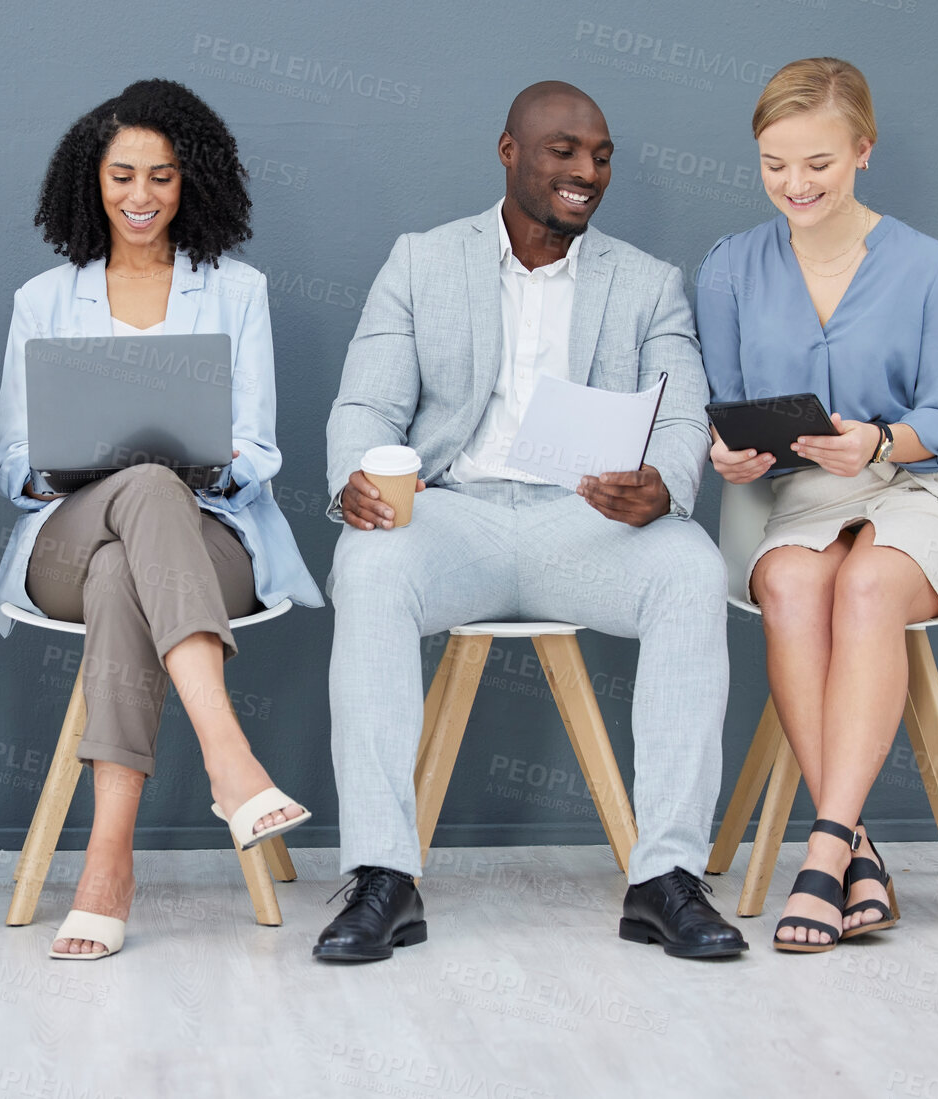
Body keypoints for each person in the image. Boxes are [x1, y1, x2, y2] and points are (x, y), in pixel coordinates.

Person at [318, 82, 747, 963]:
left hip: (583, 525)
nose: (586, 171)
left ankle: (665, 876)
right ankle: (381, 876)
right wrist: (355, 476)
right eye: (563, 151)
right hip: (456, 516)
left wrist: (659, 488)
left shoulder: (647, 282)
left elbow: (678, 416)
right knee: (366, 569)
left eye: (600, 155)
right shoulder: (421, 261)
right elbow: (364, 401)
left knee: (689, 567)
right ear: (509, 151)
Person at [0, 79, 322, 960]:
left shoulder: (237, 291)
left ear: (193, 184)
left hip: (207, 539)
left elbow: (259, 448)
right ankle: (229, 756)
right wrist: (74, 467)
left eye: (163, 178)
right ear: (89, 182)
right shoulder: (43, 300)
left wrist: (202, 464)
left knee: (127, 559)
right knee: (134, 491)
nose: (141, 198)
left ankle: (106, 863)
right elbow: (12, 465)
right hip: (63, 537)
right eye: (122, 176)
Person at [697, 58, 938, 953]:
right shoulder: (728, 268)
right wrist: (725, 452)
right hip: (800, 499)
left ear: (863, 152)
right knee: (792, 589)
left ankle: (822, 848)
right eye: (773, 164)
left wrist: (877, 439)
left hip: (924, 490)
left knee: (865, 586)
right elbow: (719, 404)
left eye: (818, 165)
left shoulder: (931, 268)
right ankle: (856, 843)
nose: (794, 186)